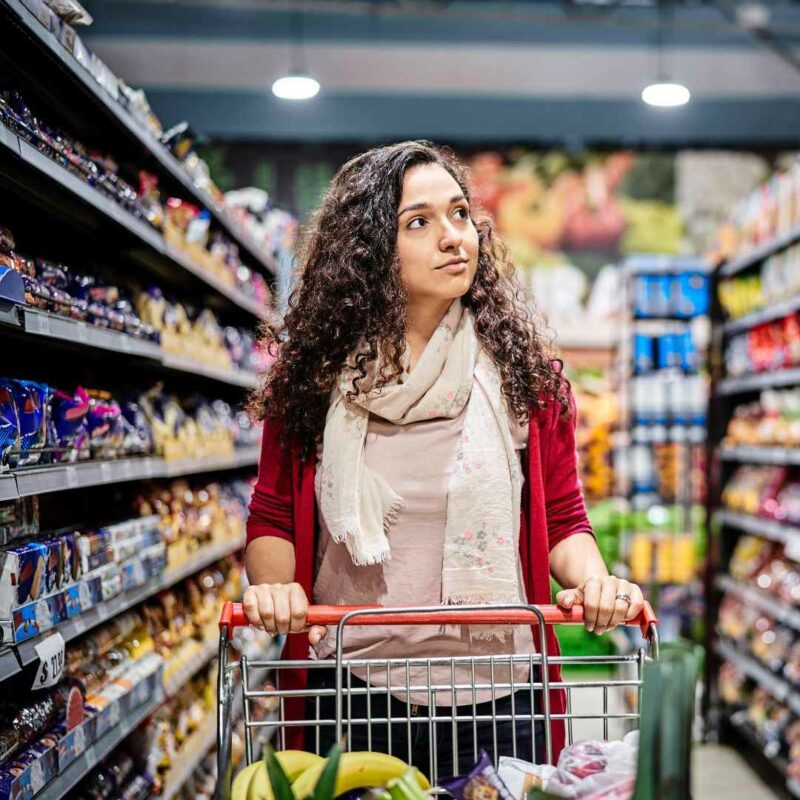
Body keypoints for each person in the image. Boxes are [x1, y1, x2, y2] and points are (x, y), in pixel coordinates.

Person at [242, 141, 644, 773]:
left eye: (460, 214)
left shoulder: (525, 380)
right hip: (354, 693)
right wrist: (275, 590)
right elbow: (271, 517)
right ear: (370, 249)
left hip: (501, 695)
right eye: (418, 222)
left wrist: (594, 580)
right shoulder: (314, 384)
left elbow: (565, 517)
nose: (453, 236)